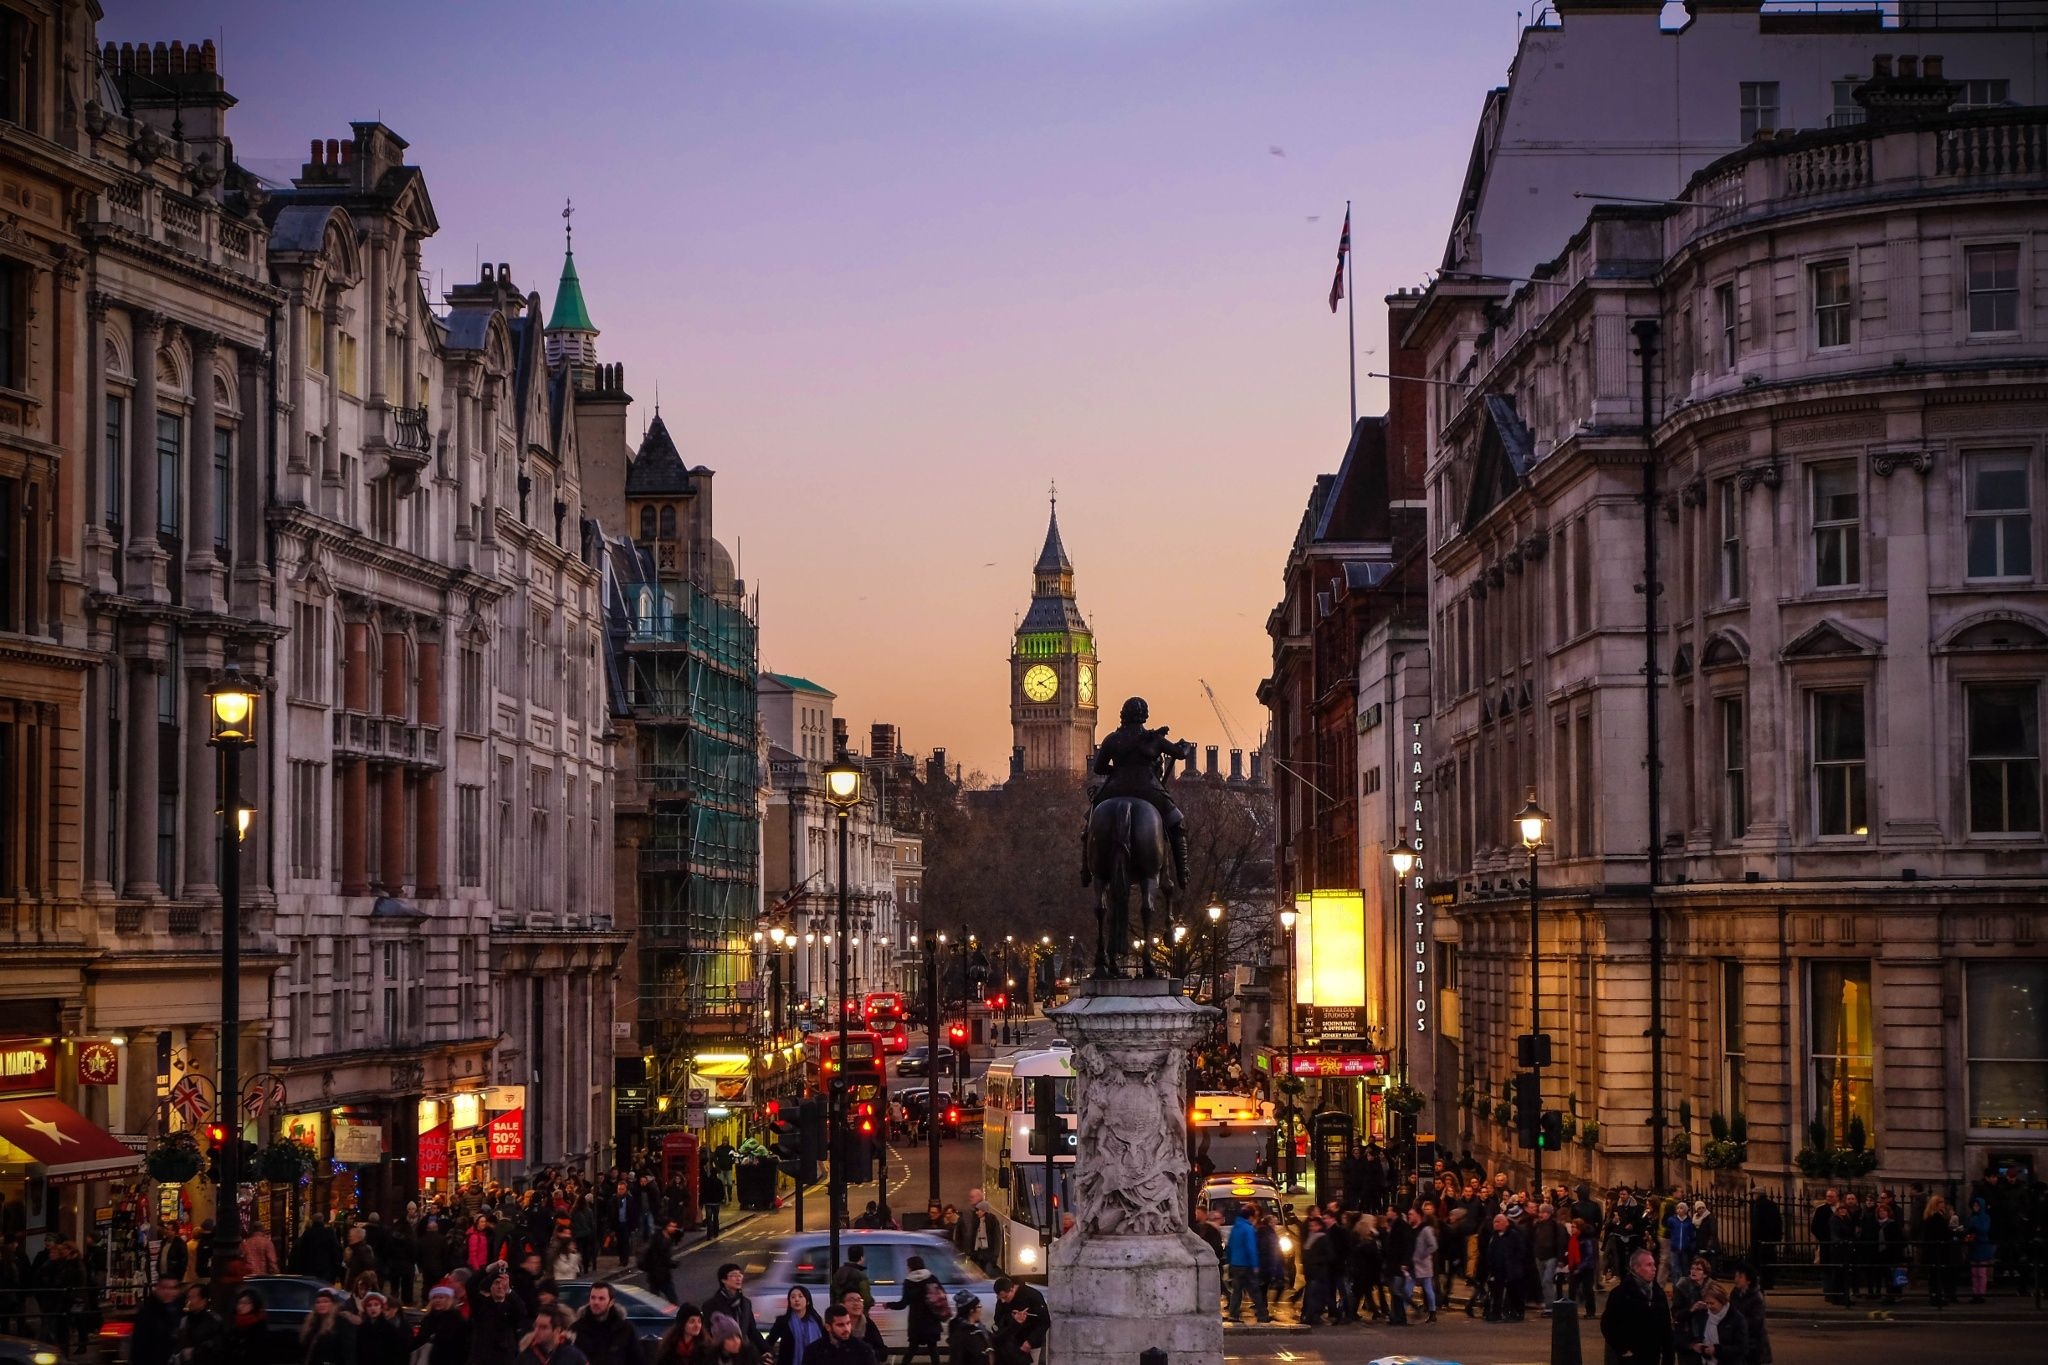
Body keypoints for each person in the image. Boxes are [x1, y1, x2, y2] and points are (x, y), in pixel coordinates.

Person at [1600, 1248, 1670, 1365]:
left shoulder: (1658, 1293)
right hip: (1630, 1359)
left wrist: (1668, 1357)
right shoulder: (1621, 1293)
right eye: (1649, 1265)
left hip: (1654, 1358)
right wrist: (1622, 1349)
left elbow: (1666, 1329)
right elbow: (1608, 1325)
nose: (1654, 1268)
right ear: (1636, 1268)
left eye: (1654, 1264)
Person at [889, 1255, 948, 1365]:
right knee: (933, 1350)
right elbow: (941, 1296)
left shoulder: (908, 1282)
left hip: (917, 1323)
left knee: (912, 1350)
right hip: (931, 1321)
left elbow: (903, 1304)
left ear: (911, 1267)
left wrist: (889, 1305)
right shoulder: (932, 1278)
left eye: (908, 1266)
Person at [469, 1267, 528, 1365]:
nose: (500, 1286)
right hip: (481, 1359)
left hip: (504, 1359)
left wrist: (509, 1291)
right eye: (496, 1283)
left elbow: (522, 1311)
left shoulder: (511, 1308)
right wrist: (488, 1269)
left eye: (503, 1283)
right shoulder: (481, 1305)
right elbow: (470, 1285)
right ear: (490, 1287)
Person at [571, 1283, 638, 1365]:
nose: (596, 1302)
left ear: (611, 1302)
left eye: (601, 1298)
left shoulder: (625, 1329)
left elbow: (637, 1360)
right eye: (593, 1298)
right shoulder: (577, 1329)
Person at [1222, 1207, 1264, 1323]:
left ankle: (1233, 1315)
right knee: (1254, 1291)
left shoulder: (1235, 1228)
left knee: (1237, 1291)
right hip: (1246, 1265)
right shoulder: (1248, 1229)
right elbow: (1251, 1248)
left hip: (1235, 1264)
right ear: (1250, 1217)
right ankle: (1262, 1315)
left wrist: (1230, 1262)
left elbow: (1229, 1247)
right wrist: (1255, 1265)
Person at [763, 1287, 824, 1365]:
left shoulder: (817, 1320)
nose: (796, 1299)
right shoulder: (782, 1321)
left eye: (800, 1296)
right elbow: (770, 1340)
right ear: (789, 1302)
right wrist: (767, 1353)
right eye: (793, 1297)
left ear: (808, 1301)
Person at [134, 1276, 187, 1365]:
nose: (168, 1292)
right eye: (164, 1287)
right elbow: (139, 1345)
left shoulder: (180, 1310)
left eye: (172, 1288)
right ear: (158, 1289)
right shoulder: (147, 1312)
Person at [414, 1286, 472, 1365]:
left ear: (449, 1300)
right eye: (435, 1298)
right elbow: (420, 1339)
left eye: (441, 1297)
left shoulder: (457, 1319)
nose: (438, 1300)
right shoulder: (428, 1318)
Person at [1695, 1282, 1749, 1365]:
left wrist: (1717, 1350)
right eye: (1707, 1303)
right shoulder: (1705, 1315)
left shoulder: (1736, 1318)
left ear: (1722, 1300)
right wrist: (1702, 1348)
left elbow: (1742, 1348)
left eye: (1712, 1303)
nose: (1708, 1307)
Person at [1728, 1263, 1770, 1365]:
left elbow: (1756, 1321)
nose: (1736, 1279)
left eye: (1740, 1277)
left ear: (1749, 1280)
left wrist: (1737, 1324)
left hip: (1753, 1343)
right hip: (1739, 1340)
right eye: (1736, 1276)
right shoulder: (1735, 1293)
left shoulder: (1756, 1297)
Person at [1919, 1195, 1957, 1308]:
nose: (1943, 1204)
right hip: (1937, 1250)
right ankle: (1936, 1297)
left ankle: (1935, 1296)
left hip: (1934, 1250)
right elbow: (1943, 1233)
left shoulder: (1931, 1217)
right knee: (1937, 1275)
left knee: (1935, 1275)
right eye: (1941, 1202)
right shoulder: (1936, 1218)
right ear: (1936, 1204)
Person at [173, 1282, 224, 1365]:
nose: (188, 1301)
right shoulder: (184, 1320)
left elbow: (217, 1347)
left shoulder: (214, 1320)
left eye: (192, 1297)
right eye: (188, 1297)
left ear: (203, 1301)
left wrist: (194, 1353)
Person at [301, 1289, 357, 1365]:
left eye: (325, 1301)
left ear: (333, 1304)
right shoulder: (312, 1323)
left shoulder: (341, 1322)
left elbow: (348, 1351)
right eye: (318, 1302)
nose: (321, 1305)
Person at [706, 1265, 759, 1343]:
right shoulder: (711, 1305)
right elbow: (710, 1332)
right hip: (722, 1350)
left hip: (742, 1350)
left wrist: (767, 1349)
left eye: (740, 1275)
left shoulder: (746, 1303)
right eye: (734, 1275)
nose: (739, 1278)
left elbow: (752, 1331)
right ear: (723, 1280)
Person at [519, 1305, 589, 1365]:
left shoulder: (573, 1356)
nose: (536, 1331)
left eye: (543, 1327)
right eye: (535, 1326)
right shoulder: (526, 1356)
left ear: (557, 1330)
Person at [989, 1280, 1046, 1352]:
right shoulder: (1002, 1300)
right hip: (1010, 1343)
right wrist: (1011, 1318)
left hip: (1029, 1343)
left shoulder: (1032, 1296)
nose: (1003, 1301)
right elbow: (998, 1319)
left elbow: (1044, 1321)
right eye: (1000, 1298)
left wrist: (1031, 1341)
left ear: (1012, 1290)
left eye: (1005, 1297)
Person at [803, 1307, 871, 1365]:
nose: (846, 1328)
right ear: (828, 1327)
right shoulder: (813, 1352)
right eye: (840, 1325)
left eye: (848, 1323)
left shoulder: (862, 1350)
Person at [356, 1292, 409, 1365]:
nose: (373, 1308)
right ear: (365, 1309)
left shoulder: (390, 1329)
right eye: (369, 1305)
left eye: (376, 1305)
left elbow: (398, 1354)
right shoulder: (361, 1329)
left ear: (381, 1307)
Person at [1964, 1195, 1996, 1302]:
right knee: (1974, 1272)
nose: (1975, 1207)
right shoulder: (1973, 1217)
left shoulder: (1985, 1217)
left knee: (1981, 1272)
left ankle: (1981, 1293)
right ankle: (1975, 1292)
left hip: (1982, 1245)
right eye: (1974, 1205)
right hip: (1975, 1246)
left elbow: (1984, 1229)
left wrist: (1975, 1227)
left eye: (1977, 1205)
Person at [946, 1292, 991, 1365]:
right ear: (971, 1310)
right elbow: (956, 1359)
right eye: (979, 1306)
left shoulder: (978, 1327)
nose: (981, 1308)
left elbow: (996, 1340)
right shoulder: (961, 1333)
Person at [837, 1294, 885, 1358]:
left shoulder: (868, 1323)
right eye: (851, 1300)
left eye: (859, 1300)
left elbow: (882, 1352)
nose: (856, 1303)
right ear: (842, 1305)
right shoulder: (835, 1324)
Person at [699, 1168, 725, 1242]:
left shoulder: (706, 1181)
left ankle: (709, 1234)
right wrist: (720, 1199)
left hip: (708, 1203)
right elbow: (722, 1192)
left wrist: (703, 1200)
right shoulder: (719, 1181)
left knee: (709, 1218)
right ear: (716, 1173)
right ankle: (716, 1233)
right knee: (716, 1218)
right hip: (716, 1203)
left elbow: (703, 1191)